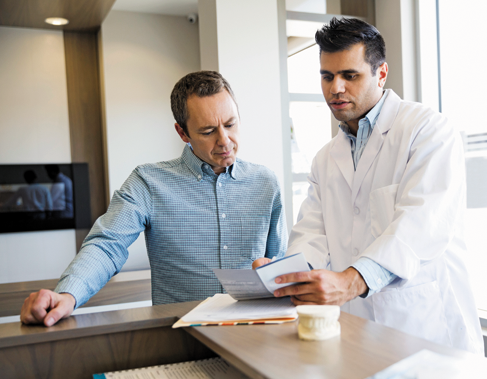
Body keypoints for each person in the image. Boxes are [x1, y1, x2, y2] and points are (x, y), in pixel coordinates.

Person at [253, 18, 483, 354]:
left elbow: (421, 227)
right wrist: (285, 276)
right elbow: (312, 237)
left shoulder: (427, 131)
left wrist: (351, 281)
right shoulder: (325, 159)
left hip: (425, 325)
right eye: (327, 76)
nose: (336, 88)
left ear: (381, 73)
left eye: (350, 75)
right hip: (356, 330)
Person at [21, 71, 287, 327]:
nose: (224, 140)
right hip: (180, 335)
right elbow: (107, 244)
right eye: (207, 131)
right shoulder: (148, 182)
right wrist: (68, 294)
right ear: (183, 133)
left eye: (230, 124)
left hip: (254, 328)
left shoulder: (266, 182)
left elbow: (280, 259)